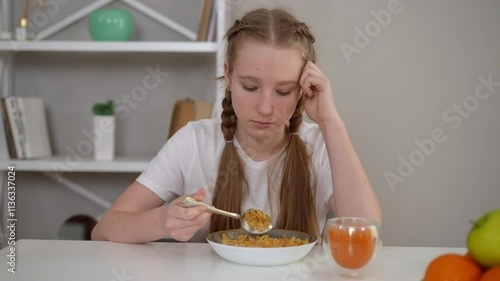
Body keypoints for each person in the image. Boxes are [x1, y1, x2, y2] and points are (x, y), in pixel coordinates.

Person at [91, 8, 382, 243]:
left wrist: (330, 122)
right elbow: (104, 229)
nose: (266, 108)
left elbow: (368, 229)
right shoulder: (193, 142)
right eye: (250, 87)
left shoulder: (318, 145)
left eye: (283, 91)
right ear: (228, 77)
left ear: (303, 90)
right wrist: (162, 221)